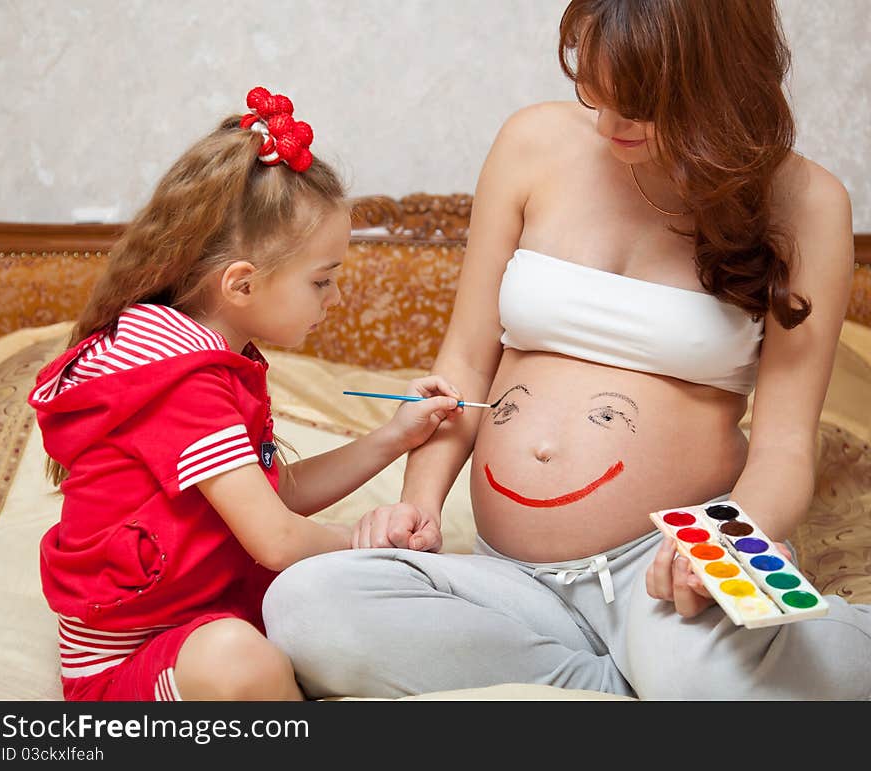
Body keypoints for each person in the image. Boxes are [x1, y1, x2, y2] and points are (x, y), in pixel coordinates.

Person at [262, 1, 871, 700]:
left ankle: (688, 664)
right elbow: (464, 364)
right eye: (594, 89)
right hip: (509, 577)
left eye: (639, 107)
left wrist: (730, 544)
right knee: (306, 604)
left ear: (718, 84)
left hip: (668, 567)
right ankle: (623, 682)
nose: (609, 125)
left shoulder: (804, 203)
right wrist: (420, 503)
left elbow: (785, 449)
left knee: (702, 679)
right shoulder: (533, 143)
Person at [27, 86, 461, 702]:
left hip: (205, 617)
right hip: (135, 663)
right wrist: (371, 543)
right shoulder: (178, 382)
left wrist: (396, 435)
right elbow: (278, 538)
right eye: (321, 281)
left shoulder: (216, 358)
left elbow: (274, 497)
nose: (332, 302)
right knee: (245, 661)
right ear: (242, 284)